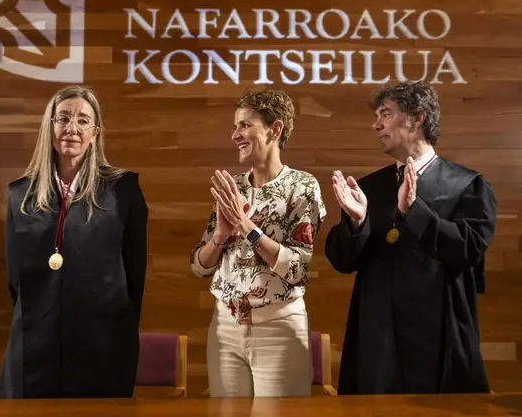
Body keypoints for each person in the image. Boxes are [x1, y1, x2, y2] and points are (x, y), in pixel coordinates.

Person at [324, 80, 498, 395]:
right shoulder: (368, 188)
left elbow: (469, 249)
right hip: (376, 334)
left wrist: (414, 211)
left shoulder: (467, 184)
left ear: (417, 118)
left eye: (386, 114)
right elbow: (342, 261)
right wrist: (356, 221)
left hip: (436, 330)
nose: (376, 124)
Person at [0, 85, 148, 399]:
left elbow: (135, 277)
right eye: (63, 118)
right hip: (34, 346)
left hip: (102, 344)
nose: (72, 128)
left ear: (95, 132)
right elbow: (16, 281)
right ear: (49, 126)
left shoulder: (123, 190)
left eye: (82, 121)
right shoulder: (19, 195)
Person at [189, 90, 327, 397]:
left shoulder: (302, 186)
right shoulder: (232, 187)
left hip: (279, 330)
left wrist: (247, 227)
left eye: (244, 125)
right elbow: (199, 267)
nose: (235, 134)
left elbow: (296, 269)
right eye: (235, 126)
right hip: (225, 327)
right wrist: (221, 235)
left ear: (275, 129)